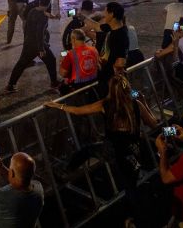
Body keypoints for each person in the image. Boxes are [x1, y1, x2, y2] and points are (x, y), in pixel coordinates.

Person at [46, 75, 158, 227]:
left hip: (111, 151)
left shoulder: (105, 104)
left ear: (110, 90)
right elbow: (154, 123)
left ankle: (66, 170)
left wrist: (57, 105)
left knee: (86, 151)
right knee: (130, 186)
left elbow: (78, 111)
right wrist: (144, 102)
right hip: (133, 153)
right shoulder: (136, 104)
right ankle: (132, 219)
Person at [6, 0, 59, 93]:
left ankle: (10, 85)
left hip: (28, 43)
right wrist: (41, 49)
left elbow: (44, 14)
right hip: (38, 44)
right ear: (47, 5)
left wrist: (54, 17)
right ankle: (54, 83)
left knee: (21, 64)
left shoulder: (33, 11)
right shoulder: (42, 17)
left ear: (39, 3)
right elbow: (39, 33)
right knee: (51, 60)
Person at [78, 2, 128, 97]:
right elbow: (95, 26)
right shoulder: (111, 27)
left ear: (111, 14)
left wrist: (115, 82)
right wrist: (82, 17)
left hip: (111, 80)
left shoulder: (121, 35)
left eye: (105, 12)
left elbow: (121, 62)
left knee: (111, 105)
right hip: (104, 76)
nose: (104, 15)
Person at [59, 29, 99, 95]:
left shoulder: (70, 54)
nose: (70, 42)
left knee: (62, 86)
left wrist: (61, 62)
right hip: (93, 83)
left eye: (71, 39)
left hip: (77, 87)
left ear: (74, 39)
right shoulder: (94, 49)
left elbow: (63, 74)